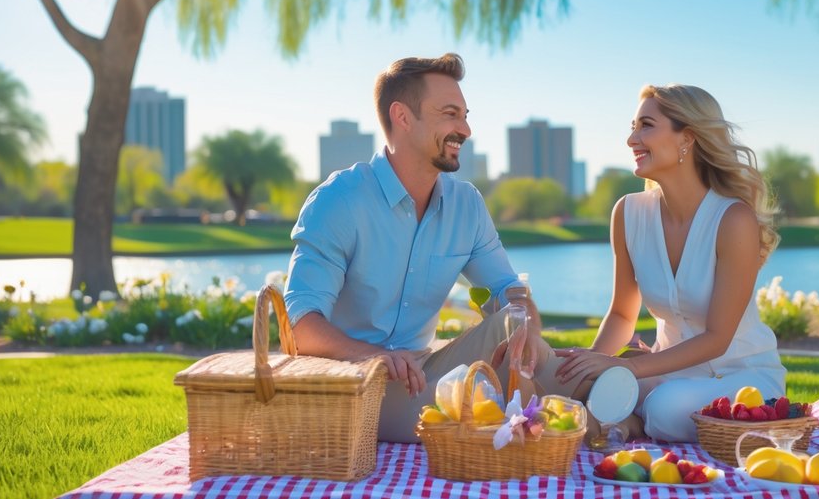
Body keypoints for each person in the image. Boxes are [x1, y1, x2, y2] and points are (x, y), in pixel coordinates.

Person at [282, 53, 545, 443]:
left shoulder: (466, 205)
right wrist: (372, 356)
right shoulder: (338, 201)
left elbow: (504, 295)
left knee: (517, 328)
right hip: (349, 382)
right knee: (477, 412)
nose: (466, 129)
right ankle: (572, 416)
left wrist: (523, 318)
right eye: (450, 114)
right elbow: (301, 324)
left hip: (421, 372)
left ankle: (601, 404)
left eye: (465, 114)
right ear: (402, 117)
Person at [551, 84, 786, 441]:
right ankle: (619, 417)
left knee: (664, 408)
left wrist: (623, 367)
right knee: (564, 386)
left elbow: (717, 339)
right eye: (633, 125)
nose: (632, 138)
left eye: (646, 125)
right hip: (665, 373)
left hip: (741, 378)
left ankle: (625, 421)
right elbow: (621, 315)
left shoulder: (733, 220)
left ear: (687, 138)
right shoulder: (628, 213)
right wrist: (588, 367)